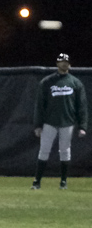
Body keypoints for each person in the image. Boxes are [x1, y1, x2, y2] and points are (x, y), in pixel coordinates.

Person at [31, 53, 88, 190]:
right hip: (49, 122)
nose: (64, 64)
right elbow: (40, 105)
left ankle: (63, 181)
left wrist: (82, 126)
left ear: (70, 64)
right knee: (44, 150)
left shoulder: (75, 82)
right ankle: (37, 181)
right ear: (57, 64)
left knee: (65, 151)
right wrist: (38, 125)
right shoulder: (47, 82)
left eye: (66, 62)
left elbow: (82, 106)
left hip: (68, 122)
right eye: (61, 61)